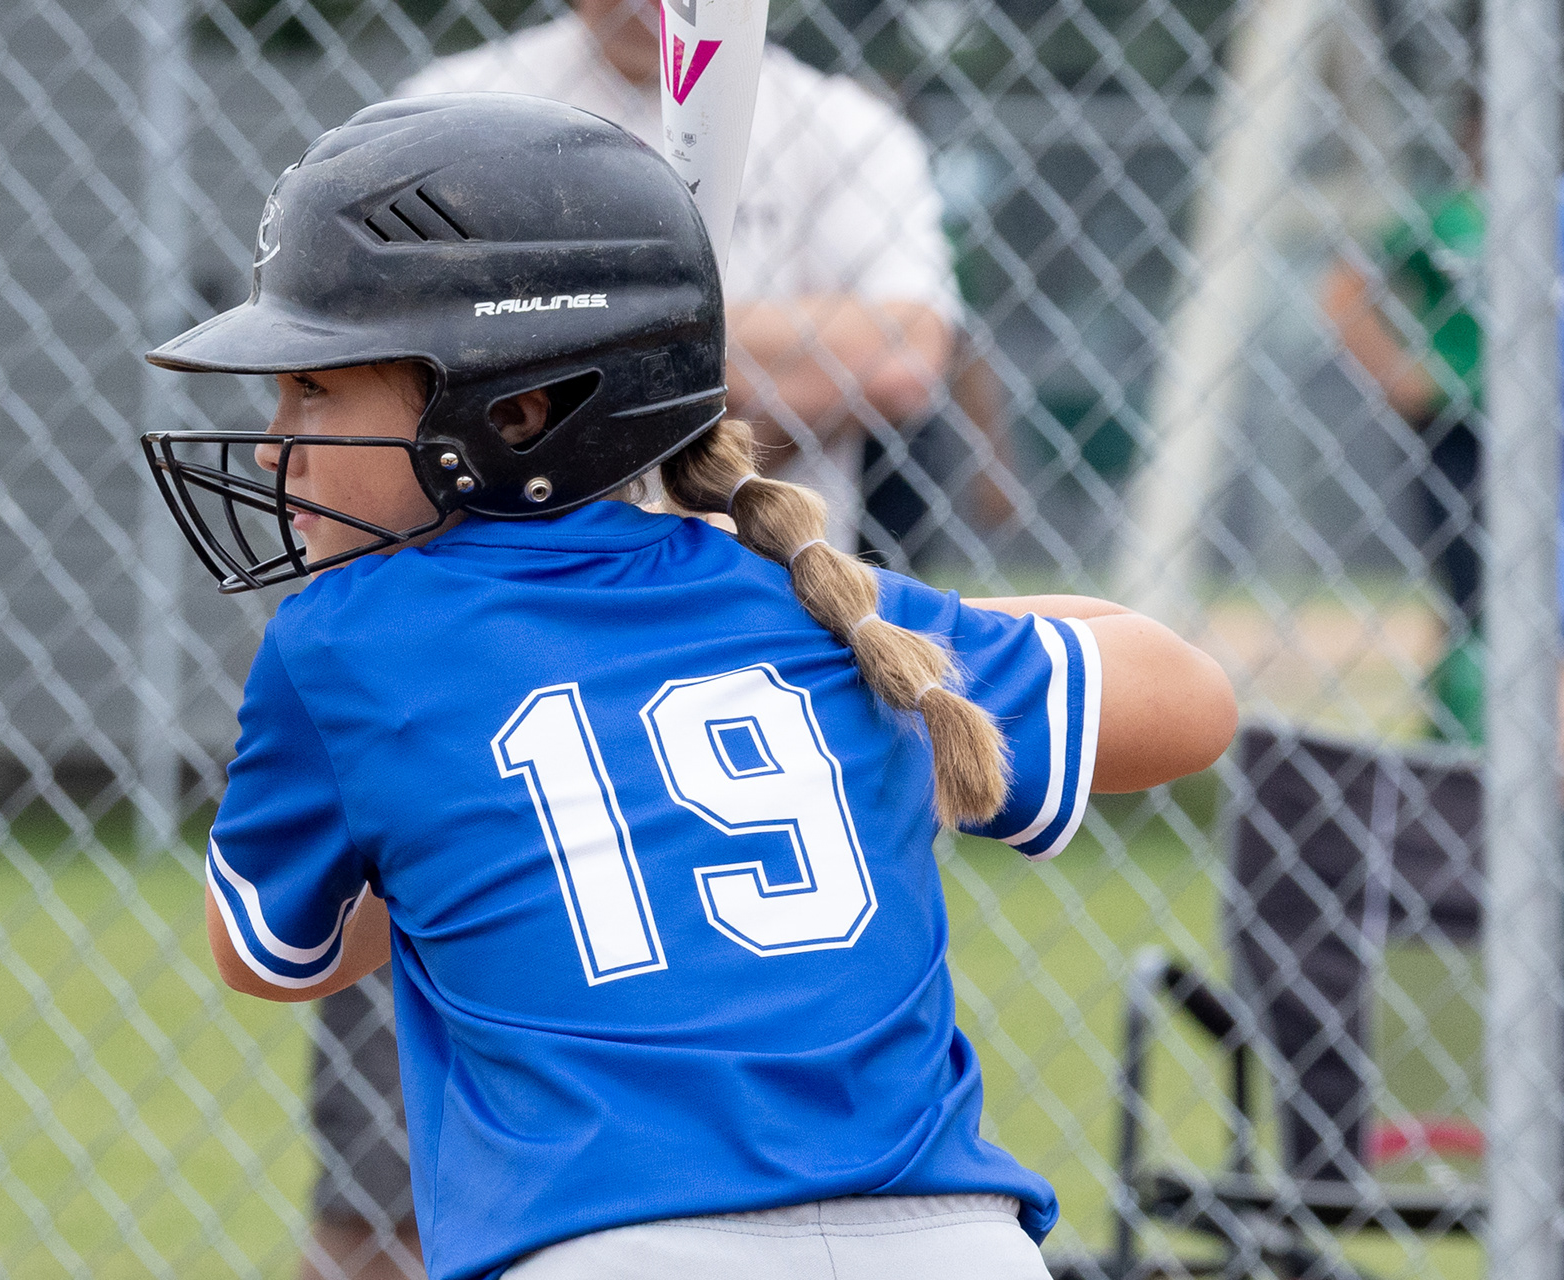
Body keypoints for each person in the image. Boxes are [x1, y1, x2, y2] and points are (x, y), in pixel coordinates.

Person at [142, 95, 1236, 1280]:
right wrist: (874, 618)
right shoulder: (819, 613)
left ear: (515, 411)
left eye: (315, 389)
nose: (273, 443)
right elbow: (1194, 702)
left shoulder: (343, 638)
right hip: (956, 1241)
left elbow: (271, 951)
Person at [393, 0, 987, 551]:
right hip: (502, 561)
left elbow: (902, 355)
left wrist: (559, 344)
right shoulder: (451, 106)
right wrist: (729, 371)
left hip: (763, 567)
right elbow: (404, 352)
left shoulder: (841, 123)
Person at [1320, 101, 1485, 741]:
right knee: (1473, 595)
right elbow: (1345, 290)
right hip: (1461, 428)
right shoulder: (1444, 218)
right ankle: (1463, 733)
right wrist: (1403, 378)